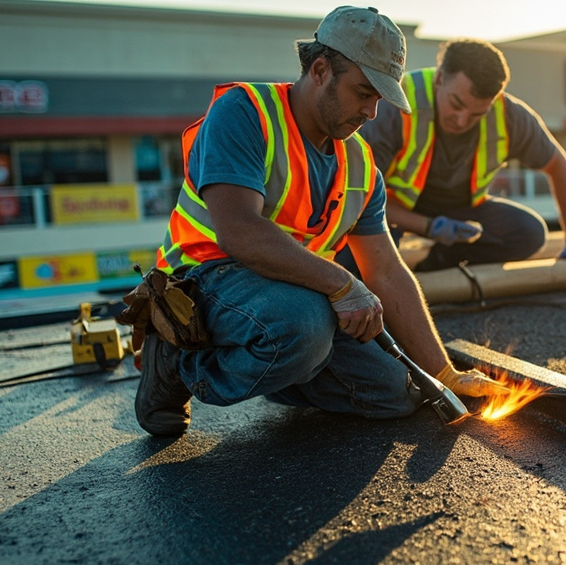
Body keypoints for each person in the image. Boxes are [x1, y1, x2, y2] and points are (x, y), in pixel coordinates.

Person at [133, 5, 505, 438]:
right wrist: (343, 285)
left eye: (379, 99)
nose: (371, 113)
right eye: (363, 92)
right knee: (302, 326)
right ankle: (177, 365)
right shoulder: (246, 112)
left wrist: (444, 372)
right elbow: (239, 232)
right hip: (202, 280)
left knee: (394, 394)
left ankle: (286, 361)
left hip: (292, 291)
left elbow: (385, 270)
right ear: (321, 70)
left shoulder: (361, 165)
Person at [358, 38, 566, 275]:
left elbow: (558, 166)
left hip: (461, 211)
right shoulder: (395, 104)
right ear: (441, 78)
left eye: (477, 113)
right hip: (392, 209)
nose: (462, 120)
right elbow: (362, 197)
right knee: (370, 255)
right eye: (456, 104)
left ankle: (441, 262)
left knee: (529, 232)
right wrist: (429, 227)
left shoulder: (509, 115)